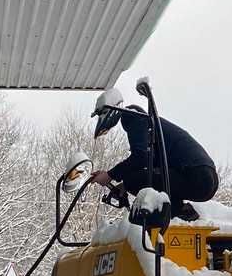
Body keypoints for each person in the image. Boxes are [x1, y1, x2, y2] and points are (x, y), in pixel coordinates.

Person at [88, 87, 219, 218]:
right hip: (205, 178)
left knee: (133, 180)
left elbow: (141, 157)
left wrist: (110, 175)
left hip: (196, 176)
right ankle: (181, 212)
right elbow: (151, 162)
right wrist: (124, 184)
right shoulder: (148, 122)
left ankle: (180, 213)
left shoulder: (136, 118)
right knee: (134, 180)